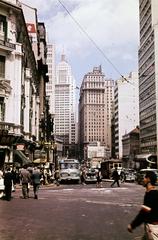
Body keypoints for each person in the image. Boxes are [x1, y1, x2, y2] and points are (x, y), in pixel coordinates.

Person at [127, 171, 158, 239]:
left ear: (148, 179)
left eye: (144, 177)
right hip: (150, 227)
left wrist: (132, 225)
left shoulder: (151, 194)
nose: (143, 180)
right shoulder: (153, 192)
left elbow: (143, 213)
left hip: (153, 228)